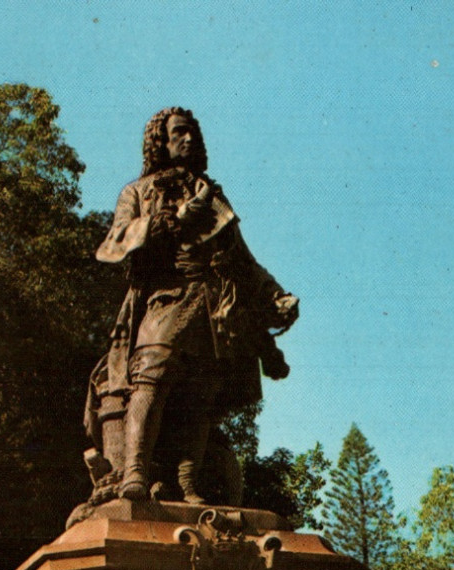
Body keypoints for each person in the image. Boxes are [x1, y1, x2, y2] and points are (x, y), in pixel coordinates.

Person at [83, 106, 298, 507]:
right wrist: (174, 219)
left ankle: (186, 483)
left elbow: (242, 259)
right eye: (179, 133)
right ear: (159, 142)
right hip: (164, 298)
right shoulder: (137, 191)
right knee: (152, 377)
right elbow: (114, 243)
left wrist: (275, 296)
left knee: (201, 397)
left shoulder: (213, 196)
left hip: (213, 308)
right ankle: (134, 472)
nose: (189, 140)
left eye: (193, 134)